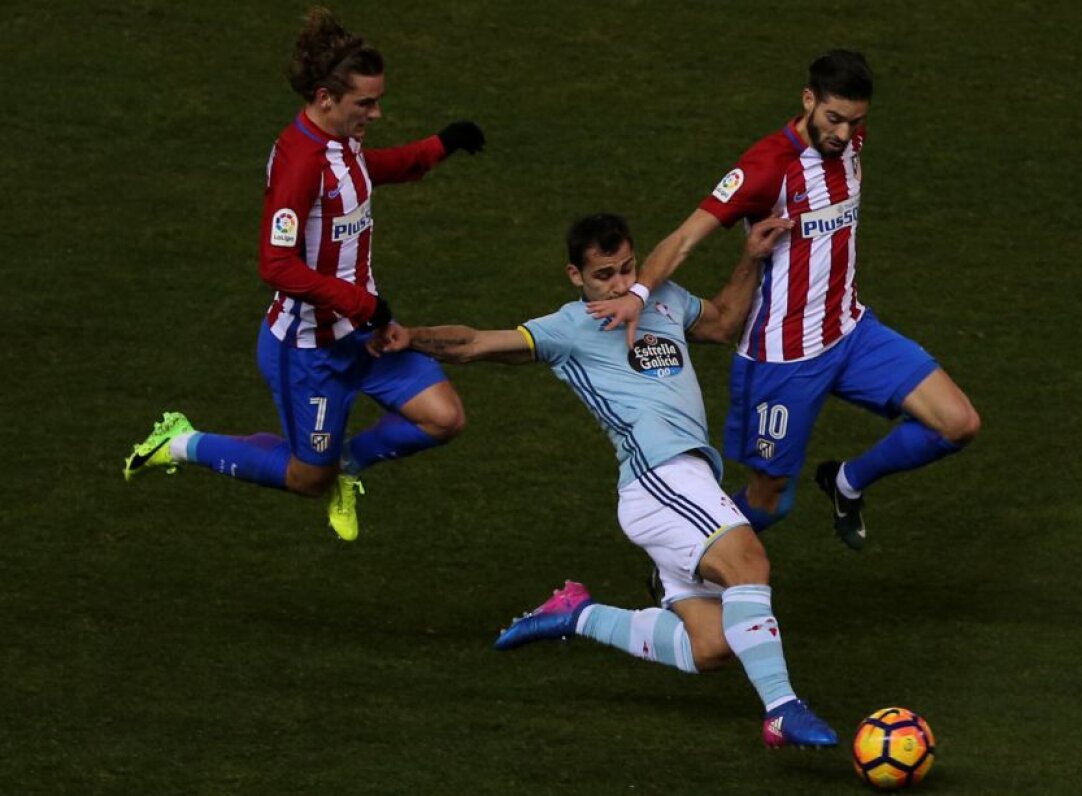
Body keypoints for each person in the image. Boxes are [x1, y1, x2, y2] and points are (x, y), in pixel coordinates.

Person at [387, 212, 839, 748]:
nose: (622, 284)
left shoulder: (660, 296)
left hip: (689, 479)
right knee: (749, 562)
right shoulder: (569, 327)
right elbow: (474, 344)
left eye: (627, 268)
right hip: (658, 478)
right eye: (605, 275)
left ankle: (579, 615)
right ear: (576, 276)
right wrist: (408, 337)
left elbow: (720, 322)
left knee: (712, 647)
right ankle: (782, 708)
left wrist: (751, 258)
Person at [587, 50, 980, 549]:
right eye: (833, 119)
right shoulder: (765, 168)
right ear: (808, 100)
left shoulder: (853, 142)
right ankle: (684, 558)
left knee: (958, 423)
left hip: (852, 331)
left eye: (854, 121)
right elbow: (686, 237)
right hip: (782, 358)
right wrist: (639, 294)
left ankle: (846, 483)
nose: (842, 133)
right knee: (772, 499)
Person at [122, 7, 486, 541]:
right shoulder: (299, 164)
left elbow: (364, 172)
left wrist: (439, 146)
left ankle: (348, 468)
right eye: (366, 102)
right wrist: (365, 306)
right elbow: (275, 264)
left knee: (445, 418)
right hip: (308, 350)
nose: (377, 113)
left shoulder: (339, 143)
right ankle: (180, 441)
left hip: (363, 331)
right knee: (305, 478)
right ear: (324, 98)